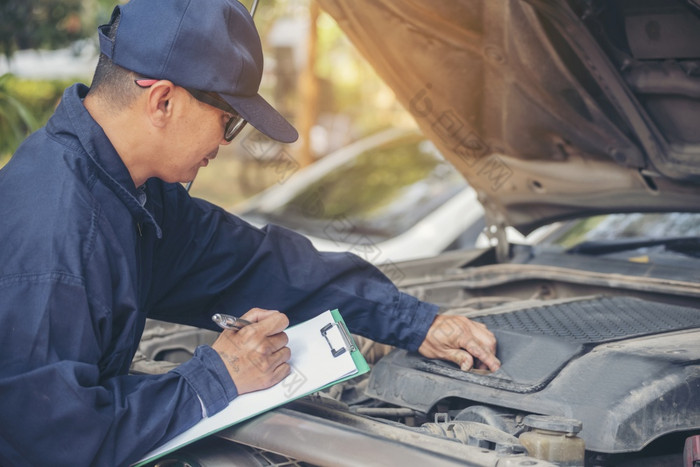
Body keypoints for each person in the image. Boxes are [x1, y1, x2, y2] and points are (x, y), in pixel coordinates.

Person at [0, 0, 500, 465]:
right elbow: (52, 438)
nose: (225, 142)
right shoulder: (56, 232)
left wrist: (415, 322)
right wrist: (213, 379)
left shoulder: (127, 192)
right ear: (163, 102)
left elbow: (255, 264)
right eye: (227, 121)